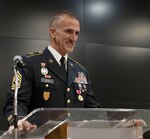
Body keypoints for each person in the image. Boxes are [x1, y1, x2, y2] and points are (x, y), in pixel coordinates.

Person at [3, 10, 100, 131]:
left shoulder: (81, 71)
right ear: (53, 32)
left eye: (77, 33)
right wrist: (20, 121)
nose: (74, 38)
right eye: (69, 31)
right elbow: (15, 103)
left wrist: (110, 122)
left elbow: (93, 110)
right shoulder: (28, 63)